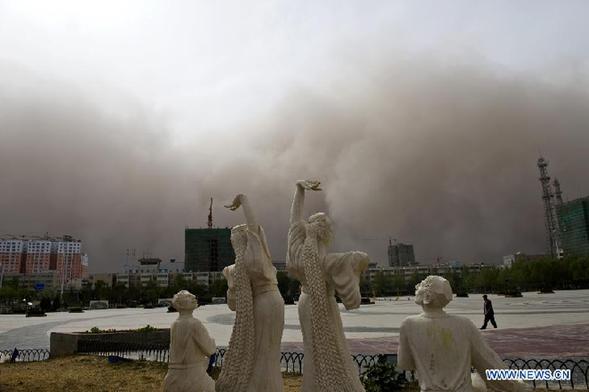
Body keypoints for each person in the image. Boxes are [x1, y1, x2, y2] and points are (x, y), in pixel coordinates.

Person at [286, 179, 370, 392]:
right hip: (324, 303)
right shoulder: (329, 260)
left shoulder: (300, 255)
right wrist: (355, 261)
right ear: (324, 231)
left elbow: (294, 220)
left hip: (306, 302)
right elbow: (361, 259)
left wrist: (299, 189)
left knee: (312, 348)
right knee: (333, 345)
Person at [397, 276, 527, 392]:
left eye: (423, 284)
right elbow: (488, 362)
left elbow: (405, 364)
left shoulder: (408, 325)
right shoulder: (464, 324)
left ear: (427, 297)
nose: (417, 286)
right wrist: (515, 386)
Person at [216, 194, 285, 392]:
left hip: (265, 304)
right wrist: (244, 201)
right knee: (267, 353)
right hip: (272, 301)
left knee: (262, 352)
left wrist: (245, 201)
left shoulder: (243, 263)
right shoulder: (254, 257)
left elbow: (232, 304)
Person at [162, 290, 216, 392]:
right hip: (193, 376)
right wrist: (212, 342)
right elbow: (209, 350)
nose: (193, 297)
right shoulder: (195, 324)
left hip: (173, 376)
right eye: (189, 297)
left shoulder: (174, 324)